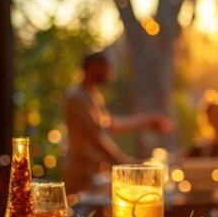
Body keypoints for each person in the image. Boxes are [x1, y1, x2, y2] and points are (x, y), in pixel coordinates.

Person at [63, 52, 173, 194]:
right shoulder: (77, 98)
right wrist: (124, 163)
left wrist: (149, 121)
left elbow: (111, 125)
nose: (110, 74)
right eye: (106, 68)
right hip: (80, 175)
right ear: (93, 67)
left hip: (95, 173)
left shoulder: (94, 95)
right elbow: (96, 138)